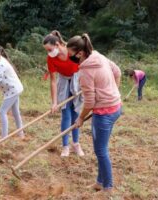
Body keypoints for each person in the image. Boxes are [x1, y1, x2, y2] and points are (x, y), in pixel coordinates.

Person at [67, 33, 122, 194]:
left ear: (80, 53)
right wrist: (114, 93)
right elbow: (117, 72)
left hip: (104, 113)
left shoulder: (85, 72)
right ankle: (99, 182)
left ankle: (108, 188)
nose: (69, 58)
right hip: (115, 108)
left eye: (70, 55)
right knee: (101, 148)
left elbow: (90, 102)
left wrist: (80, 118)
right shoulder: (98, 56)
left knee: (100, 151)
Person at [43, 30, 84, 157]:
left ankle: (76, 144)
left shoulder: (72, 51)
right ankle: (65, 146)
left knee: (76, 114)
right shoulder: (51, 59)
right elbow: (53, 81)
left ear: (57, 44)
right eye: (47, 50)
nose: (49, 52)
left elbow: (84, 66)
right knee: (66, 113)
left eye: (50, 49)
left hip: (78, 80)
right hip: (63, 82)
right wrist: (54, 102)